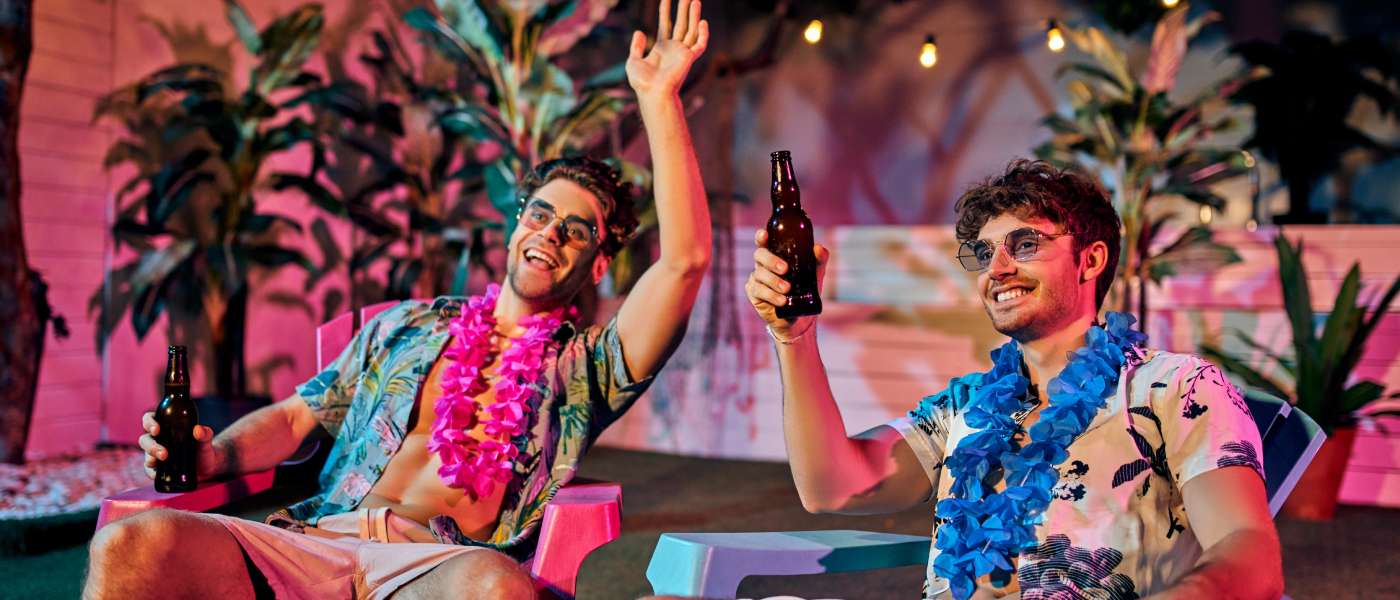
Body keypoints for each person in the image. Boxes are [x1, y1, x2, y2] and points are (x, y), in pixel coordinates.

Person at [84, 2, 712, 598]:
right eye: (540, 214)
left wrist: (657, 99)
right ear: (517, 224)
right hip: (317, 538)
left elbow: (684, 264)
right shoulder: (405, 327)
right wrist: (217, 454)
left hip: (437, 563)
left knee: (494, 588)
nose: (549, 232)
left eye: (575, 230)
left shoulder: (587, 369)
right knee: (129, 545)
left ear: (599, 261)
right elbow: (299, 416)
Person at [744, 159, 1283, 600]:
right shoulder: (968, 406)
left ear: (1090, 259)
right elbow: (833, 489)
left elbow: (1247, 548)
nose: (995, 268)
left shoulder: (1174, 389)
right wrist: (796, 337)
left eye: (1024, 245)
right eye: (984, 253)